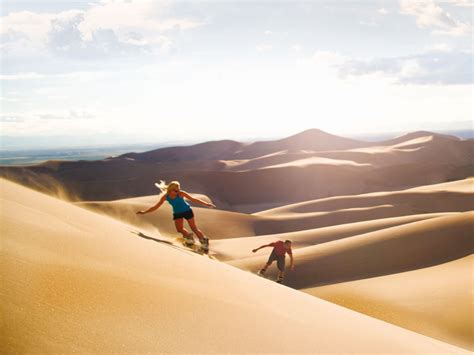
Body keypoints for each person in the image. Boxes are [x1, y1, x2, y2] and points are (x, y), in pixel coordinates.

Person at [136, 180, 215, 250]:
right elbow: (156, 206)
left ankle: (204, 241)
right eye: (176, 190)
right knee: (179, 229)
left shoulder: (181, 194)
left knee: (194, 228)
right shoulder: (166, 197)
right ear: (170, 190)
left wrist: (206, 204)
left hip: (187, 211)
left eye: (178, 190)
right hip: (177, 213)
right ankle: (189, 238)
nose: (178, 191)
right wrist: (145, 212)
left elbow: (193, 199)